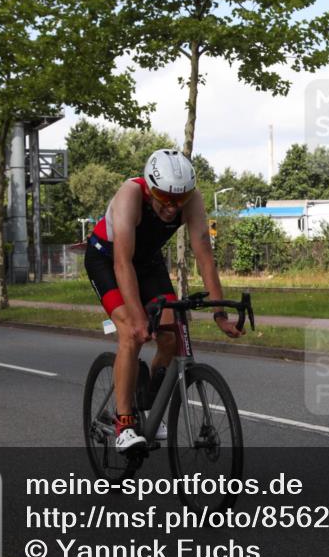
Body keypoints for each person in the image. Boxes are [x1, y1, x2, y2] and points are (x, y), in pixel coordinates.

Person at [84, 149, 243, 452]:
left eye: (179, 199)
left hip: (148, 263)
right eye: (164, 197)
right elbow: (122, 264)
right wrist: (138, 316)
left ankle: (150, 405)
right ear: (148, 185)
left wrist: (220, 313)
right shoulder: (130, 195)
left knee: (172, 336)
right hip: (108, 259)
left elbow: (205, 256)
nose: (172, 208)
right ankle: (124, 423)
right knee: (132, 332)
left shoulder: (191, 199)